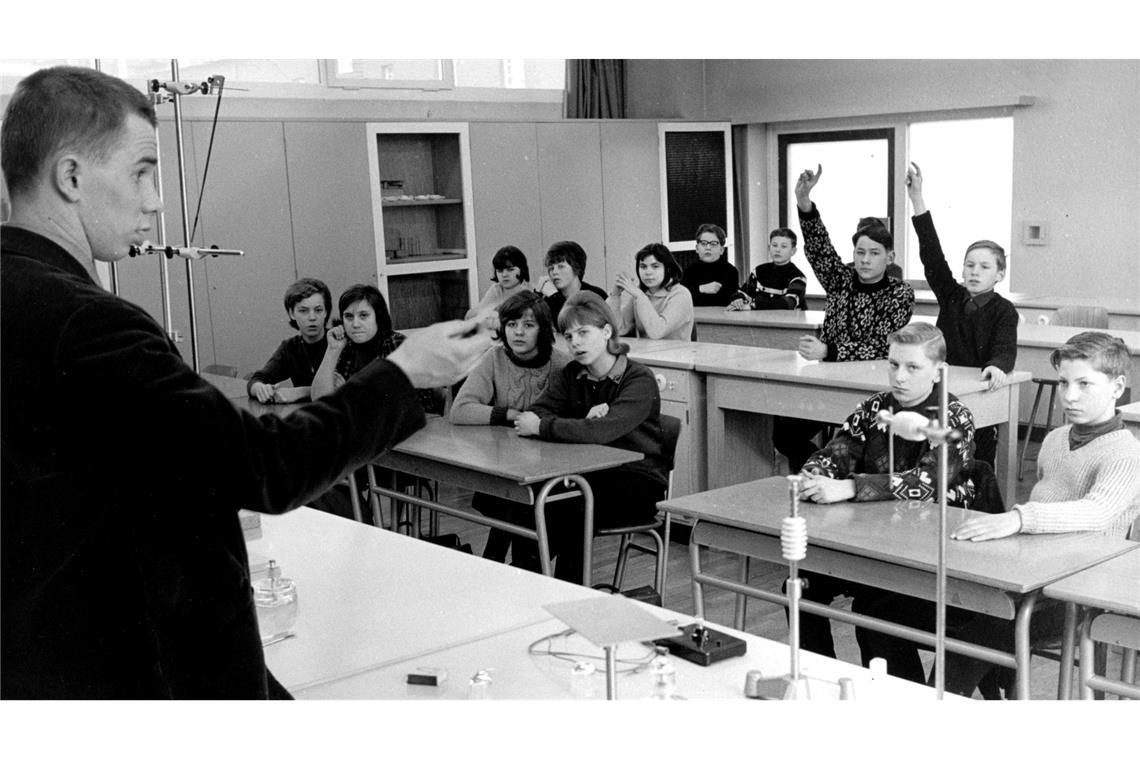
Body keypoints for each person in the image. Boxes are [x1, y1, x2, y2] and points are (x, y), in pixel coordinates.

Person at [0, 66, 492, 698]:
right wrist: (404, 374)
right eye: (143, 170)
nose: (155, 200)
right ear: (71, 177)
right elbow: (266, 467)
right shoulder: (89, 323)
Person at [933, 331, 1140, 697]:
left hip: (1078, 596)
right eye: (1063, 383)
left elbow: (1097, 512)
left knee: (975, 632)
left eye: (1084, 384)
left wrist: (1018, 518)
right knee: (924, 612)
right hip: (1029, 578)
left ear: (1118, 386)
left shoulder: (1126, 453)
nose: (1070, 395)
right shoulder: (1056, 439)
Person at [792, 323, 977, 673]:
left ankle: (899, 700)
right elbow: (839, 449)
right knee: (799, 587)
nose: (900, 377)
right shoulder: (875, 407)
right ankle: (820, 680)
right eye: (893, 365)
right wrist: (815, 472)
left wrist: (850, 487)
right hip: (872, 543)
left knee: (875, 610)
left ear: (939, 372)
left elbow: (926, 483)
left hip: (928, 555)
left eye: (913, 368)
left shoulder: (954, 417)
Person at [514, 292, 669, 583]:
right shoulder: (572, 373)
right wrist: (580, 421)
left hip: (637, 482)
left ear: (607, 331)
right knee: (529, 505)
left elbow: (601, 431)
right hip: (590, 475)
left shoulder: (638, 379)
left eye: (584, 333)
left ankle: (558, 593)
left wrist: (548, 426)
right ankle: (529, 585)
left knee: (570, 509)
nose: (575, 343)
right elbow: (536, 413)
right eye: (569, 336)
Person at [773, 164, 916, 473]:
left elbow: (884, 344)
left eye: (874, 253)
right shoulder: (841, 279)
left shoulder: (900, 292)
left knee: (847, 445)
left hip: (871, 390)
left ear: (890, 257)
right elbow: (819, 249)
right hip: (830, 382)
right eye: (860, 252)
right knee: (785, 433)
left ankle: (830, 477)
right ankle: (815, 474)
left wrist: (830, 351)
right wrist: (803, 202)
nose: (864, 260)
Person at [906, 162, 1018, 468]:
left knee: (977, 458)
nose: (974, 272)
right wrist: (917, 200)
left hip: (980, 392)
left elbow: (1005, 348)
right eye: (970, 265)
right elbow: (931, 255)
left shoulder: (1004, 310)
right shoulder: (952, 295)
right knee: (936, 454)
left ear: (1000, 274)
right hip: (943, 388)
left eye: (984, 267)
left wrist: (997, 367)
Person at [450, 291, 569, 562]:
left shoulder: (562, 365)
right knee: (513, 504)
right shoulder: (495, 358)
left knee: (519, 508)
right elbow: (460, 410)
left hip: (552, 471)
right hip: (507, 469)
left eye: (528, 325)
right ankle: (520, 567)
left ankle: (507, 565)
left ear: (543, 329)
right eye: (512, 324)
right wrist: (509, 414)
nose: (518, 332)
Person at [246, 277, 333, 403]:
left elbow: (341, 389)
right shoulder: (290, 347)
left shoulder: (337, 342)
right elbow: (258, 378)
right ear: (292, 313)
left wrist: (300, 392)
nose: (312, 317)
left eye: (318, 310)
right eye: (303, 311)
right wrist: (260, 388)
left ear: (326, 312)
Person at [607, 242, 695, 341]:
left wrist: (640, 296)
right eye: (643, 267)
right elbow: (620, 329)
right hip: (645, 353)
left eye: (655, 266)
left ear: (668, 269)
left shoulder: (681, 294)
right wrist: (615, 295)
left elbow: (657, 332)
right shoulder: (641, 293)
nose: (648, 272)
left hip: (676, 354)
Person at [726, 227, 808, 311]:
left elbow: (788, 303)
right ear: (769, 248)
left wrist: (753, 305)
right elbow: (742, 293)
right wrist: (738, 300)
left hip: (789, 322)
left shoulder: (798, 277)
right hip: (759, 319)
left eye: (783, 246)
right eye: (774, 245)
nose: (777, 250)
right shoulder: (759, 270)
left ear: (793, 251)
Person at [541, 240, 608, 323]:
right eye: (551, 268)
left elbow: (575, 325)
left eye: (561, 266)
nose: (554, 272)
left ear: (577, 267)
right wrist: (537, 295)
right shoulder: (549, 299)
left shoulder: (595, 295)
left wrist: (555, 297)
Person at [464, 244, 533, 319]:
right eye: (500, 271)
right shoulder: (497, 289)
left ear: (521, 270)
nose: (504, 275)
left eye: (510, 270)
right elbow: (471, 316)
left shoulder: (529, 292)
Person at [681, 223, 739, 307]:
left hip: (723, 318)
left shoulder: (730, 271)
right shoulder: (688, 271)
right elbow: (681, 298)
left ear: (722, 250)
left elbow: (732, 298)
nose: (708, 247)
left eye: (713, 244)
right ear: (697, 248)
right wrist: (701, 289)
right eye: (704, 243)